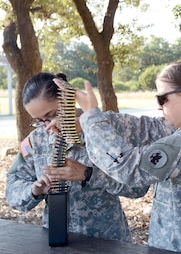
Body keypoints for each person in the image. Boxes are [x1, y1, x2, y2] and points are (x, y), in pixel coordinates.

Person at [52, 61, 181, 254]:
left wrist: (92, 118)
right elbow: (141, 127)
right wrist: (82, 123)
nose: (159, 107)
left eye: (162, 99)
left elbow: (129, 168)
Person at [6, 72, 149, 242]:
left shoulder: (101, 131)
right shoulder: (36, 141)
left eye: (51, 115)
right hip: (56, 239)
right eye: (39, 120)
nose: (47, 126)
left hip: (107, 241)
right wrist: (34, 190)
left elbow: (138, 187)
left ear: (68, 100)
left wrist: (89, 174)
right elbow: (13, 188)